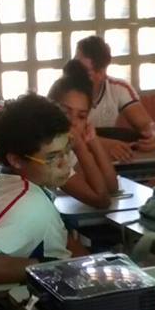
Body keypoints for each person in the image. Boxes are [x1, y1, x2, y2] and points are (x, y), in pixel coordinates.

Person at [0, 94, 87, 285]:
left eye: (67, 149)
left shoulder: (1, 177)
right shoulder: (27, 202)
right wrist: (48, 268)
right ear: (16, 160)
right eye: (52, 157)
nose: (65, 163)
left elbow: (63, 240)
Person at [73, 35, 155, 161]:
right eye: (75, 65)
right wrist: (102, 144)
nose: (76, 72)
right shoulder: (63, 91)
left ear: (101, 73)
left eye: (85, 71)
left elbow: (146, 124)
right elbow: (64, 134)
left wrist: (153, 135)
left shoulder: (119, 88)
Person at [47, 60, 120, 209]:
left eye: (81, 116)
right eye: (65, 112)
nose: (73, 122)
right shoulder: (46, 150)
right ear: (49, 109)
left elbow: (111, 187)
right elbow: (101, 200)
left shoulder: (65, 148)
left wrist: (93, 141)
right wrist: (81, 147)